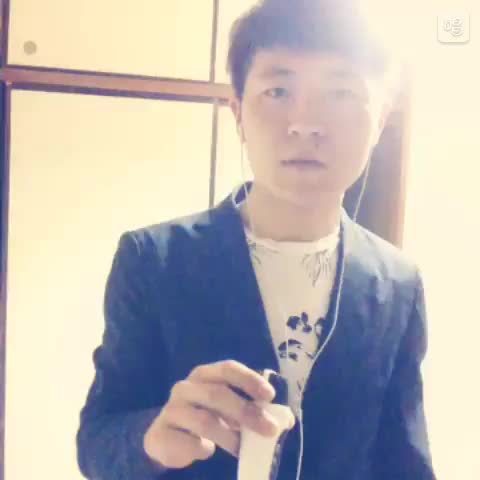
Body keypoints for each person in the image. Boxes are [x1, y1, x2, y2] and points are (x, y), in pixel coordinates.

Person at [76, 1, 436, 479]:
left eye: (341, 93)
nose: (305, 122)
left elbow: (404, 459)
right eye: (278, 90)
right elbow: (98, 440)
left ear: (380, 120)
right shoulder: (154, 260)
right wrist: (151, 439)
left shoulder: (398, 283)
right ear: (238, 113)